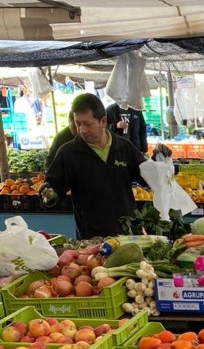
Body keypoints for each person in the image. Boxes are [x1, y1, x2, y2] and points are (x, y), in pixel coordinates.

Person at [44, 92, 146, 239]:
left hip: (127, 235)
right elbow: (53, 185)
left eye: (87, 124)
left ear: (103, 121)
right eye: (78, 123)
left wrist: (159, 162)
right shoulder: (68, 153)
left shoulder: (123, 147)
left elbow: (147, 176)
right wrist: (49, 192)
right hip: (91, 240)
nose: (81, 130)